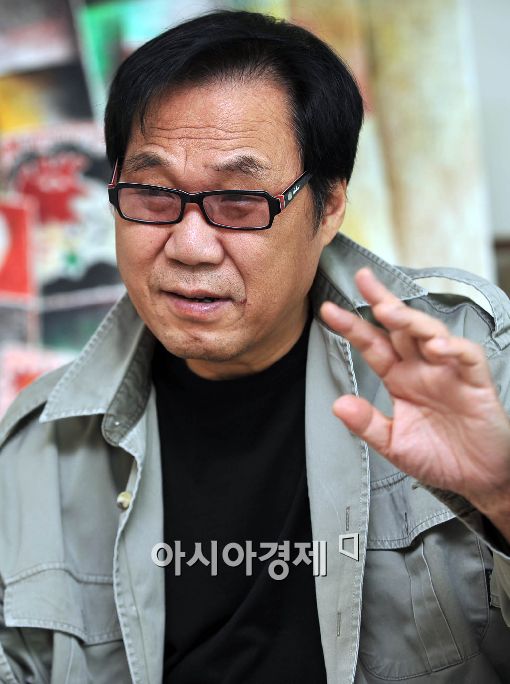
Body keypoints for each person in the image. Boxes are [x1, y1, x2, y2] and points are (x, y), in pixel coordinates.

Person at [1, 9, 510, 684]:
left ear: (329, 207)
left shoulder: (470, 362)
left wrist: (501, 495)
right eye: (152, 194)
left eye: (239, 201)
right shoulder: (38, 449)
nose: (189, 246)